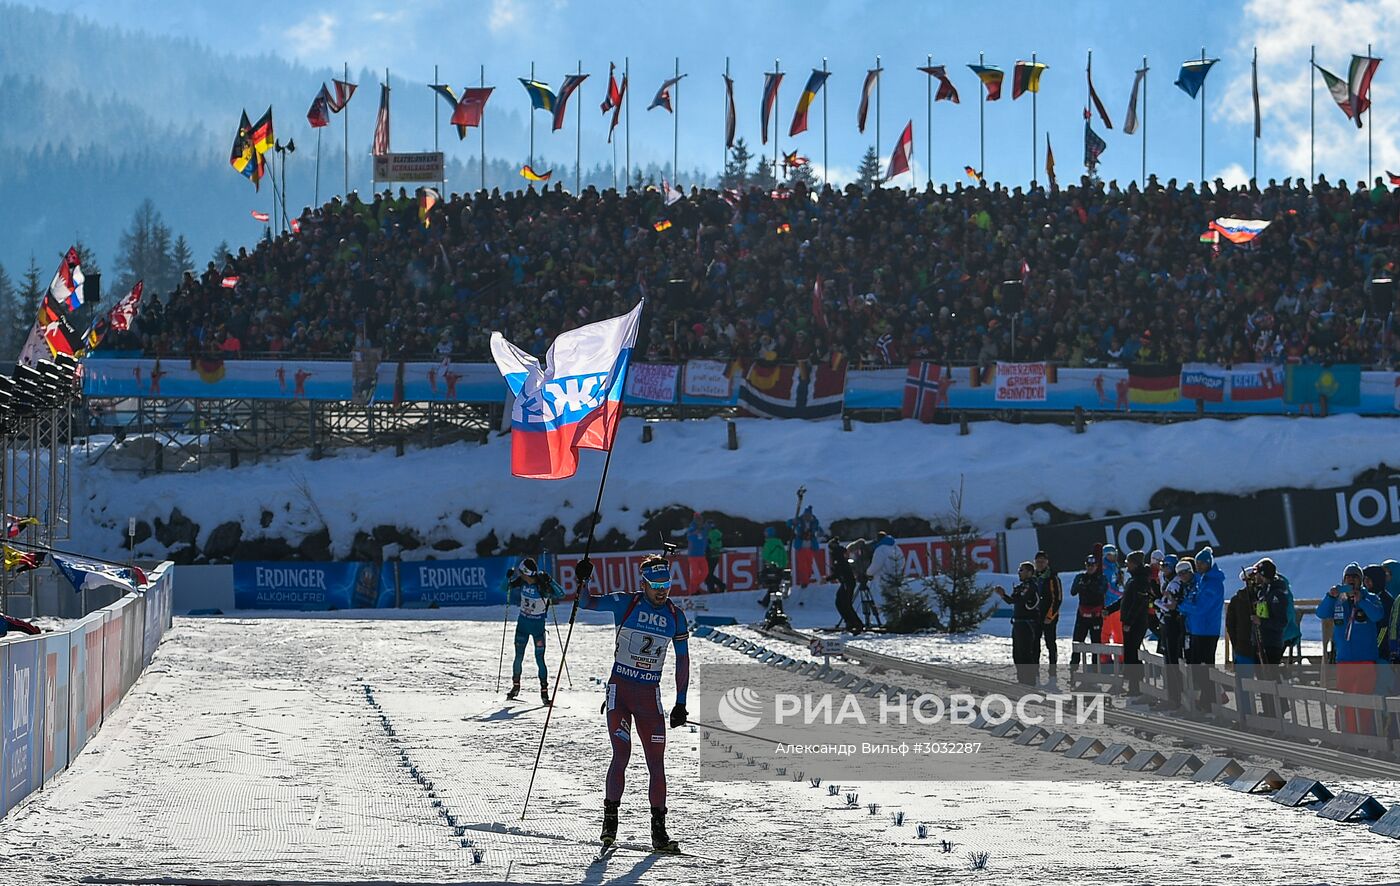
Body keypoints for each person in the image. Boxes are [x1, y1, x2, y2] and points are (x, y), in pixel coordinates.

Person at [576, 553, 690, 853]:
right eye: (655, 584)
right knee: (621, 753)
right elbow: (585, 602)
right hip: (620, 693)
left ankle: (659, 833)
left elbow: (683, 661)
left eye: (666, 583)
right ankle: (609, 826)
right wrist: (584, 578)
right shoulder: (625, 603)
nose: (662, 590)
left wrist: (681, 703)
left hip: (649, 697)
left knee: (656, 764)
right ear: (644, 583)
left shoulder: (676, 616)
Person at [1316, 563, 1384, 734]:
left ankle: (1362, 735)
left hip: (1365, 660)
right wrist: (1330, 596)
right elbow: (1321, 613)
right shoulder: (1339, 599)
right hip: (1345, 660)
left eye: (1355, 578)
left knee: (1362, 701)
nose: (1351, 581)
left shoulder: (1371, 597)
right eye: (1348, 578)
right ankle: (1346, 734)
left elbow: (1377, 615)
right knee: (1344, 701)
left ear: (1361, 581)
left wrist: (1362, 600)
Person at [505, 558, 565, 704]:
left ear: (526, 573)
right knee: (518, 656)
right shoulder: (522, 581)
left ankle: (544, 693)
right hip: (522, 626)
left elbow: (561, 593)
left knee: (540, 659)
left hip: (538, 628)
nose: (520, 575)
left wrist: (550, 580)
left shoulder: (542, 585)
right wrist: (508, 577)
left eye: (521, 572)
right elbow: (505, 588)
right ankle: (515, 687)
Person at [1181, 546, 1225, 712]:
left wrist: (1181, 606)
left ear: (1208, 563)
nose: (1197, 566)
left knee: (1204, 666)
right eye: (1197, 563)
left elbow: (1200, 608)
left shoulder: (1213, 584)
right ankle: (1210, 697)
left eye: (1201, 563)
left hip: (1207, 630)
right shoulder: (1203, 580)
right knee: (1198, 666)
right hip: (1198, 628)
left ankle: (1210, 699)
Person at [1107, 550, 1152, 700]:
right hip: (1130, 623)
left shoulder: (1141, 580)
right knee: (1130, 654)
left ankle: (1137, 686)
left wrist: (1129, 622)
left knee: (1133, 654)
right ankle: (1133, 686)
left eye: (1129, 563)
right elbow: (1124, 600)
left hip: (1136, 623)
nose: (1127, 566)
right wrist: (1109, 609)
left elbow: (1138, 604)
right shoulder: (1133, 579)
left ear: (1135, 564)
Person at [1250, 557, 1291, 719]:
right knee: (1262, 677)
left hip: (1271, 642)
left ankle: (1276, 709)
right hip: (1261, 639)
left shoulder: (1276, 594)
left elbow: (1280, 622)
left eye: (1258, 574)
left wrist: (1262, 622)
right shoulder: (1264, 591)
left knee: (1270, 676)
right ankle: (1269, 709)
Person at [1156, 558, 1192, 710]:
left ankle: (1176, 698)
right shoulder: (1170, 581)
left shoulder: (1176, 583)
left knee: (1173, 662)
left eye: (1165, 566)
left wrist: (1161, 605)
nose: (1162, 569)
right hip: (1168, 624)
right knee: (1169, 661)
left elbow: (1173, 605)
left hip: (1173, 626)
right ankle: (1173, 696)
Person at [999, 561, 1042, 686]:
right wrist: (1003, 595)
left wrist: (1006, 595)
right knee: (1017, 654)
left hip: (1027, 623)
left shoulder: (1031, 586)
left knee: (1025, 653)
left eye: (1022, 570)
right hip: (1018, 623)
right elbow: (1012, 600)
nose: (1019, 572)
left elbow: (1018, 599)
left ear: (1029, 572)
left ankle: (1029, 682)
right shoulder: (1022, 586)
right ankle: (1022, 680)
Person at [1226, 568, 1260, 720]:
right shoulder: (1237, 600)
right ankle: (1245, 716)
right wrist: (1237, 644)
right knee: (1244, 684)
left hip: (1259, 648)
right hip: (1244, 647)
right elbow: (1230, 625)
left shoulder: (1262, 597)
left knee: (1265, 684)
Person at [1069, 552, 1107, 676]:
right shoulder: (1080, 577)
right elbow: (1073, 591)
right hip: (1082, 614)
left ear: (1097, 566)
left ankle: (1095, 671)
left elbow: (1101, 591)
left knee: (1095, 644)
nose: (1090, 567)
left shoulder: (1101, 578)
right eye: (1088, 565)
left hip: (1096, 615)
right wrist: (1083, 585)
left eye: (1093, 565)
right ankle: (1073, 669)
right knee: (1077, 642)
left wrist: (1088, 586)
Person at [1033, 550, 1063, 690]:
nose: (1040, 564)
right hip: (1035, 618)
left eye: (1042, 561)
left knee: (1050, 645)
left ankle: (1052, 677)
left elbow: (1057, 598)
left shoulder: (1052, 578)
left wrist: (1050, 616)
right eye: (1038, 561)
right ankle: (1036, 677)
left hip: (1049, 618)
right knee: (1035, 647)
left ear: (1047, 562)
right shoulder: (1033, 577)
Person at [828, 538, 864, 634]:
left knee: (845, 604)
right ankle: (850, 622)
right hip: (846, 582)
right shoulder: (839, 554)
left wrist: (828, 578)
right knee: (841, 602)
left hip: (847, 582)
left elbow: (839, 571)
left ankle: (856, 623)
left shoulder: (837, 556)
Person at [789, 505, 823, 588]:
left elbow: (820, 531)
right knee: (802, 565)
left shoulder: (814, 523)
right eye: (806, 515)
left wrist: (819, 533)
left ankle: (807, 579)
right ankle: (804, 581)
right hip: (801, 547)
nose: (807, 517)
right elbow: (789, 523)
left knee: (808, 564)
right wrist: (793, 522)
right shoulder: (799, 522)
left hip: (810, 547)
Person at [1100, 544, 1124, 652]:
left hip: (1116, 605)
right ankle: (1105, 660)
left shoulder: (1114, 567)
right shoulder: (1105, 570)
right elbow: (1108, 589)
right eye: (1113, 554)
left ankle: (1121, 658)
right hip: (1107, 605)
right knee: (1105, 633)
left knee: (1119, 633)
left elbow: (1116, 584)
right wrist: (1120, 595)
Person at [684, 513, 708, 594]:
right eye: (697, 519)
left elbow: (705, 539)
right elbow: (689, 537)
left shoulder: (704, 528)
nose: (699, 521)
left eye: (700, 519)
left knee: (705, 572)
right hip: (693, 556)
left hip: (702, 555)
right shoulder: (691, 528)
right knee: (695, 574)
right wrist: (695, 533)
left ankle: (696, 587)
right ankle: (693, 591)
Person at [704, 520, 727, 593]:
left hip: (711, 555)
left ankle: (717, 587)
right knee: (708, 574)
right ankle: (714, 588)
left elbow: (712, 544)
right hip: (712, 555)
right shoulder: (715, 533)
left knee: (708, 574)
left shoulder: (712, 533)